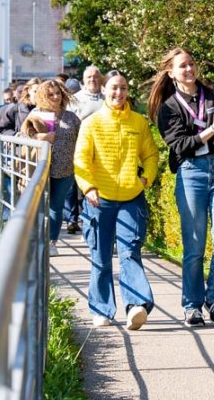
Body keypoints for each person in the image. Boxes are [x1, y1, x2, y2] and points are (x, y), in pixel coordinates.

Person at [147, 48, 214, 328]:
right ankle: (192, 305)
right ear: (171, 73)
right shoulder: (169, 108)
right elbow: (181, 145)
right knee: (195, 246)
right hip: (192, 174)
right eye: (182, 66)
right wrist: (211, 130)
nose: (189, 69)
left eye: (191, 64)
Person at [74, 69, 159, 331]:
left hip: (131, 197)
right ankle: (101, 310)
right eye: (113, 88)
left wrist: (145, 180)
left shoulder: (138, 122)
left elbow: (151, 155)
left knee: (130, 252)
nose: (118, 92)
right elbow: (81, 159)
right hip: (100, 199)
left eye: (123, 87)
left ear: (127, 91)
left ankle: (136, 306)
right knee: (100, 257)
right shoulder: (91, 123)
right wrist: (88, 187)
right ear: (103, 90)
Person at [23, 79, 81, 248]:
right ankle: (36, 240)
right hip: (39, 168)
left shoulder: (71, 118)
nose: (55, 97)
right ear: (43, 96)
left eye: (58, 94)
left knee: (56, 205)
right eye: (51, 94)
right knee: (39, 206)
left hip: (65, 169)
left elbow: (83, 139)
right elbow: (20, 137)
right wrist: (39, 137)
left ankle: (51, 242)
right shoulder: (35, 115)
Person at [63, 65, 105, 233]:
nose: (92, 80)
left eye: (96, 77)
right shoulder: (75, 99)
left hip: (102, 150)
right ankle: (73, 219)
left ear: (101, 79)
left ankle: (90, 222)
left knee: (93, 187)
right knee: (75, 186)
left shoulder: (107, 98)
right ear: (84, 80)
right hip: (78, 147)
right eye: (89, 77)